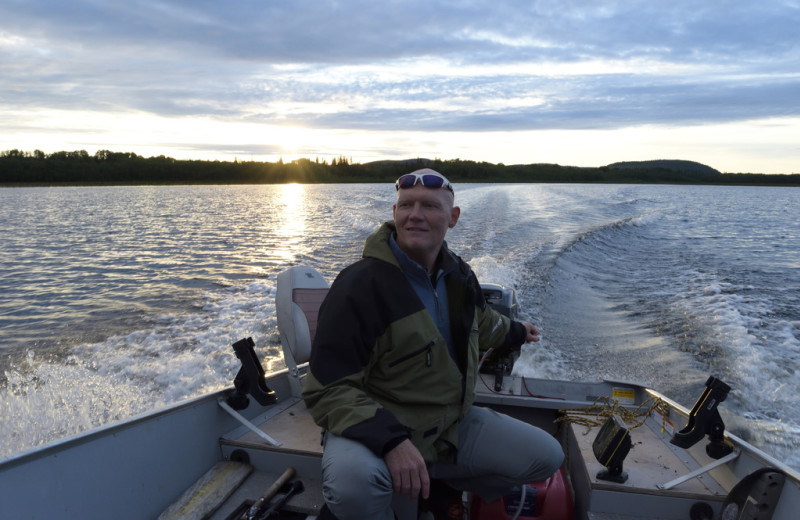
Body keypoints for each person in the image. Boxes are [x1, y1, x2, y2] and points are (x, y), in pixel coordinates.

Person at [302, 169, 564, 520]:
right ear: (395, 213)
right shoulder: (359, 287)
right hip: (374, 426)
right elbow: (328, 390)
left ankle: (440, 486)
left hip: (447, 426)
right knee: (354, 488)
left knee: (546, 457)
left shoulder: (459, 276)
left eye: (429, 206)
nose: (415, 215)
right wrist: (392, 442)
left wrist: (517, 331)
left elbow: (484, 324)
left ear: (452, 217)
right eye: (406, 205)